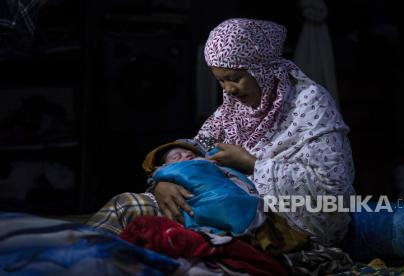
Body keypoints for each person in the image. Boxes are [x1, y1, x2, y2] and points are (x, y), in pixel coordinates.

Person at [88, 18, 355, 248]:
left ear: (262, 69)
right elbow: (196, 147)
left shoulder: (309, 102)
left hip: (282, 221)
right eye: (220, 80)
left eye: (234, 77)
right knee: (128, 209)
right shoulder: (233, 108)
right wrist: (162, 184)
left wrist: (252, 164)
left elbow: (333, 187)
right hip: (219, 202)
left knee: (145, 223)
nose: (227, 89)